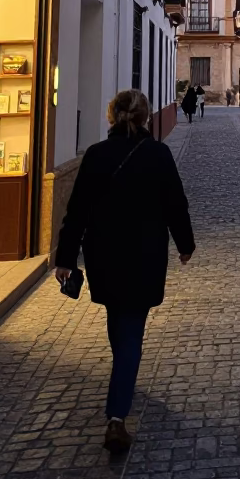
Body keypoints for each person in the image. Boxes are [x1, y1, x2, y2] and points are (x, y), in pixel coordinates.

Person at [55, 90, 195, 454]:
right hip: (145, 256)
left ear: (111, 116)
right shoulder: (158, 154)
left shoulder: (96, 154)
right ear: (146, 117)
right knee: (131, 330)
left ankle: (122, 380)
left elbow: (77, 210)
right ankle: (117, 416)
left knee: (118, 319)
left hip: (104, 255)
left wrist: (65, 258)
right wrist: (185, 244)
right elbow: (175, 204)